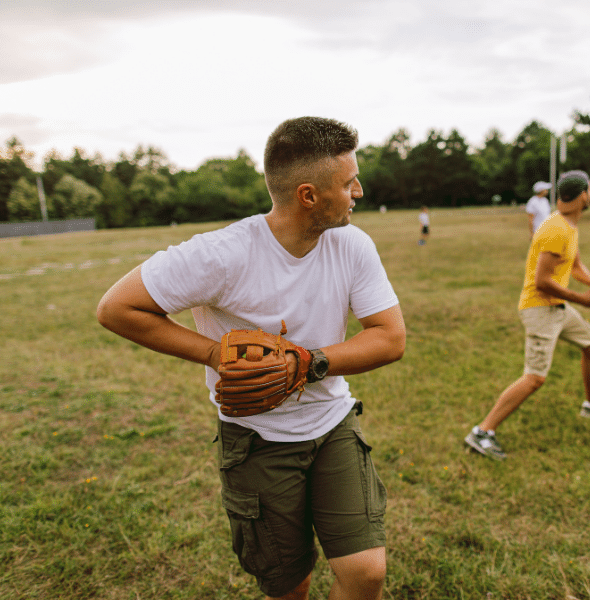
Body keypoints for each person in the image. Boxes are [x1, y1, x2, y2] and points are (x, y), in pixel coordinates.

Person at [96, 117, 406, 600]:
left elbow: (390, 338)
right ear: (309, 195)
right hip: (257, 438)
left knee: (366, 573)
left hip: (332, 424)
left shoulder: (352, 244)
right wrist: (214, 353)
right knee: (289, 584)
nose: (359, 192)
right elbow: (116, 307)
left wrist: (305, 364)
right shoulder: (221, 254)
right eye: (348, 183)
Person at [464, 170, 590, 462]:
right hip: (540, 308)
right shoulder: (556, 229)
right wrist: (582, 299)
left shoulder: (568, 226)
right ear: (582, 196)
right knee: (535, 377)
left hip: (557, 308)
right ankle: (482, 431)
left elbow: (573, 264)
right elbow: (542, 280)